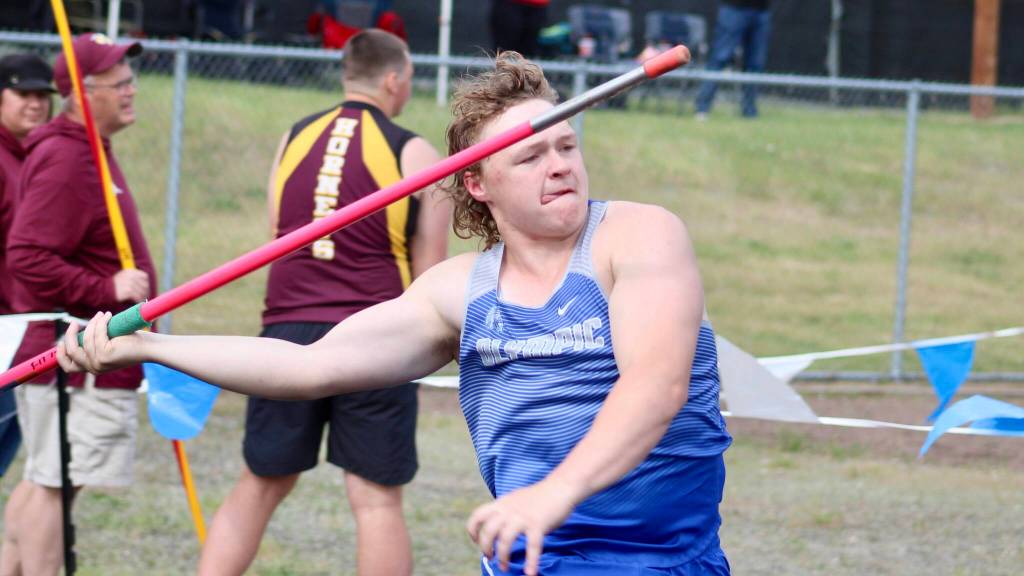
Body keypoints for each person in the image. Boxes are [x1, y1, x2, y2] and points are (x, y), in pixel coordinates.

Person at [59, 51, 733, 576]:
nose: (560, 165)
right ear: (478, 183)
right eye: (530, 155)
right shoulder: (458, 291)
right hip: (528, 559)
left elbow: (657, 386)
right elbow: (308, 364)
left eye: (565, 146)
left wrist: (553, 494)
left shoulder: (637, 236)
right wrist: (150, 348)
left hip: (659, 560)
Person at [197, 29, 450, 576]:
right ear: (392, 79)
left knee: (261, 482)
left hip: (287, 329)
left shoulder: (294, 138)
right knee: (375, 497)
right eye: (407, 79)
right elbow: (432, 271)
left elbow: (278, 235)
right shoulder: (413, 150)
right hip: (376, 334)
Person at [1, 33, 155, 576]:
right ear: (84, 93)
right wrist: (106, 292)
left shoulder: (87, 150)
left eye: (131, 79)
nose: (131, 90)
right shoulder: (69, 157)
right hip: (75, 359)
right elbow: (26, 255)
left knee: (45, 479)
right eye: (120, 83)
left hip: (83, 359)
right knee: (54, 484)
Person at [0, 53, 55, 479]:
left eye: (42, 95)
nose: (35, 104)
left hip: (26, 330)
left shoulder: (38, 157)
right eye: (23, 93)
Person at [694, 0, 772, 119]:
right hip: (734, 8)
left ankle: (749, 111)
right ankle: (702, 108)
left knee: (755, 64)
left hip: (761, 10)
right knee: (720, 58)